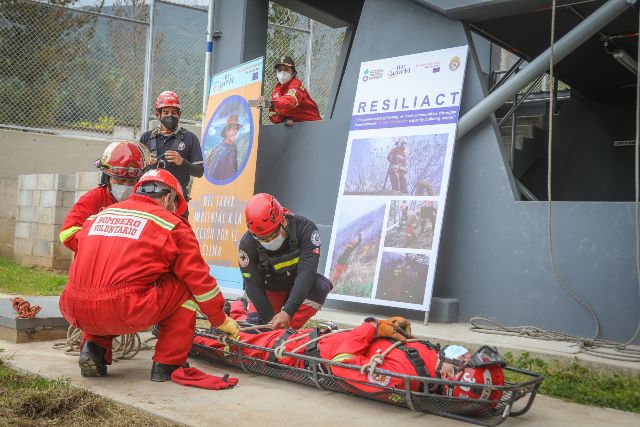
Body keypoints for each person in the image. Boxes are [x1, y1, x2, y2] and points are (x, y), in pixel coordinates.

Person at [58, 168, 239, 382]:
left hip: (74, 306)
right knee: (185, 286)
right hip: (124, 308)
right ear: (169, 196)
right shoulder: (173, 225)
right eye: (175, 204)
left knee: (103, 288)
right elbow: (200, 281)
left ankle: (92, 348)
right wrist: (219, 319)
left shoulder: (103, 214)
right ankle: (168, 363)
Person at [193, 316, 505, 400]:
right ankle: (237, 312)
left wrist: (370, 328)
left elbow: (341, 362)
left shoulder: (397, 379)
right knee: (247, 322)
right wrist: (389, 326)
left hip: (301, 352)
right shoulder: (431, 359)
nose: (461, 352)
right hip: (319, 337)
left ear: (451, 377)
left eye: (462, 359)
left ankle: (185, 336)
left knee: (233, 340)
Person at [235, 193, 332, 329]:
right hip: (270, 288)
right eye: (262, 239)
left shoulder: (305, 229)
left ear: (283, 221)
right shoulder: (247, 244)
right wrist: (269, 321)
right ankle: (238, 305)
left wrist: (287, 312)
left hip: (298, 286)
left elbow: (306, 273)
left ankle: (287, 331)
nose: (268, 241)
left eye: (272, 235)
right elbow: (252, 285)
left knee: (320, 287)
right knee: (255, 329)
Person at [59, 141, 150, 252]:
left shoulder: (145, 203)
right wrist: (101, 244)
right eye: (121, 180)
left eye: (131, 181)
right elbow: (67, 233)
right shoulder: (93, 198)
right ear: (107, 178)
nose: (126, 185)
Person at [139, 91, 204, 218]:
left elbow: (199, 172)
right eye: (166, 112)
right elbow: (136, 171)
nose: (170, 116)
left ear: (179, 115)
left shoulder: (190, 138)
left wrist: (182, 162)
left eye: (174, 113)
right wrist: (145, 163)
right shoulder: (146, 138)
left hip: (177, 199)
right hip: (148, 198)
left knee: (177, 235)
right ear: (158, 114)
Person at [254, 56, 321, 126]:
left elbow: (290, 101)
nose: (282, 72)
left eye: (286, 69)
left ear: (293, 73)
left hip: (312, 125)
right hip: (296, 127)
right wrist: (283, 120)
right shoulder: (276, 90)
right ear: (276, 73)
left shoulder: (296, 84)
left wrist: (268, 103)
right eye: (279, 70)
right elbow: (273, 113)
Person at [205, 113, 241, 181]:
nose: (235, 132)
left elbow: (234, 169)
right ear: (227, 132)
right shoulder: (220, 149)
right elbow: (211, 170)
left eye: (236, 129)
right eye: (233, 129)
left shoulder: (234, 149)